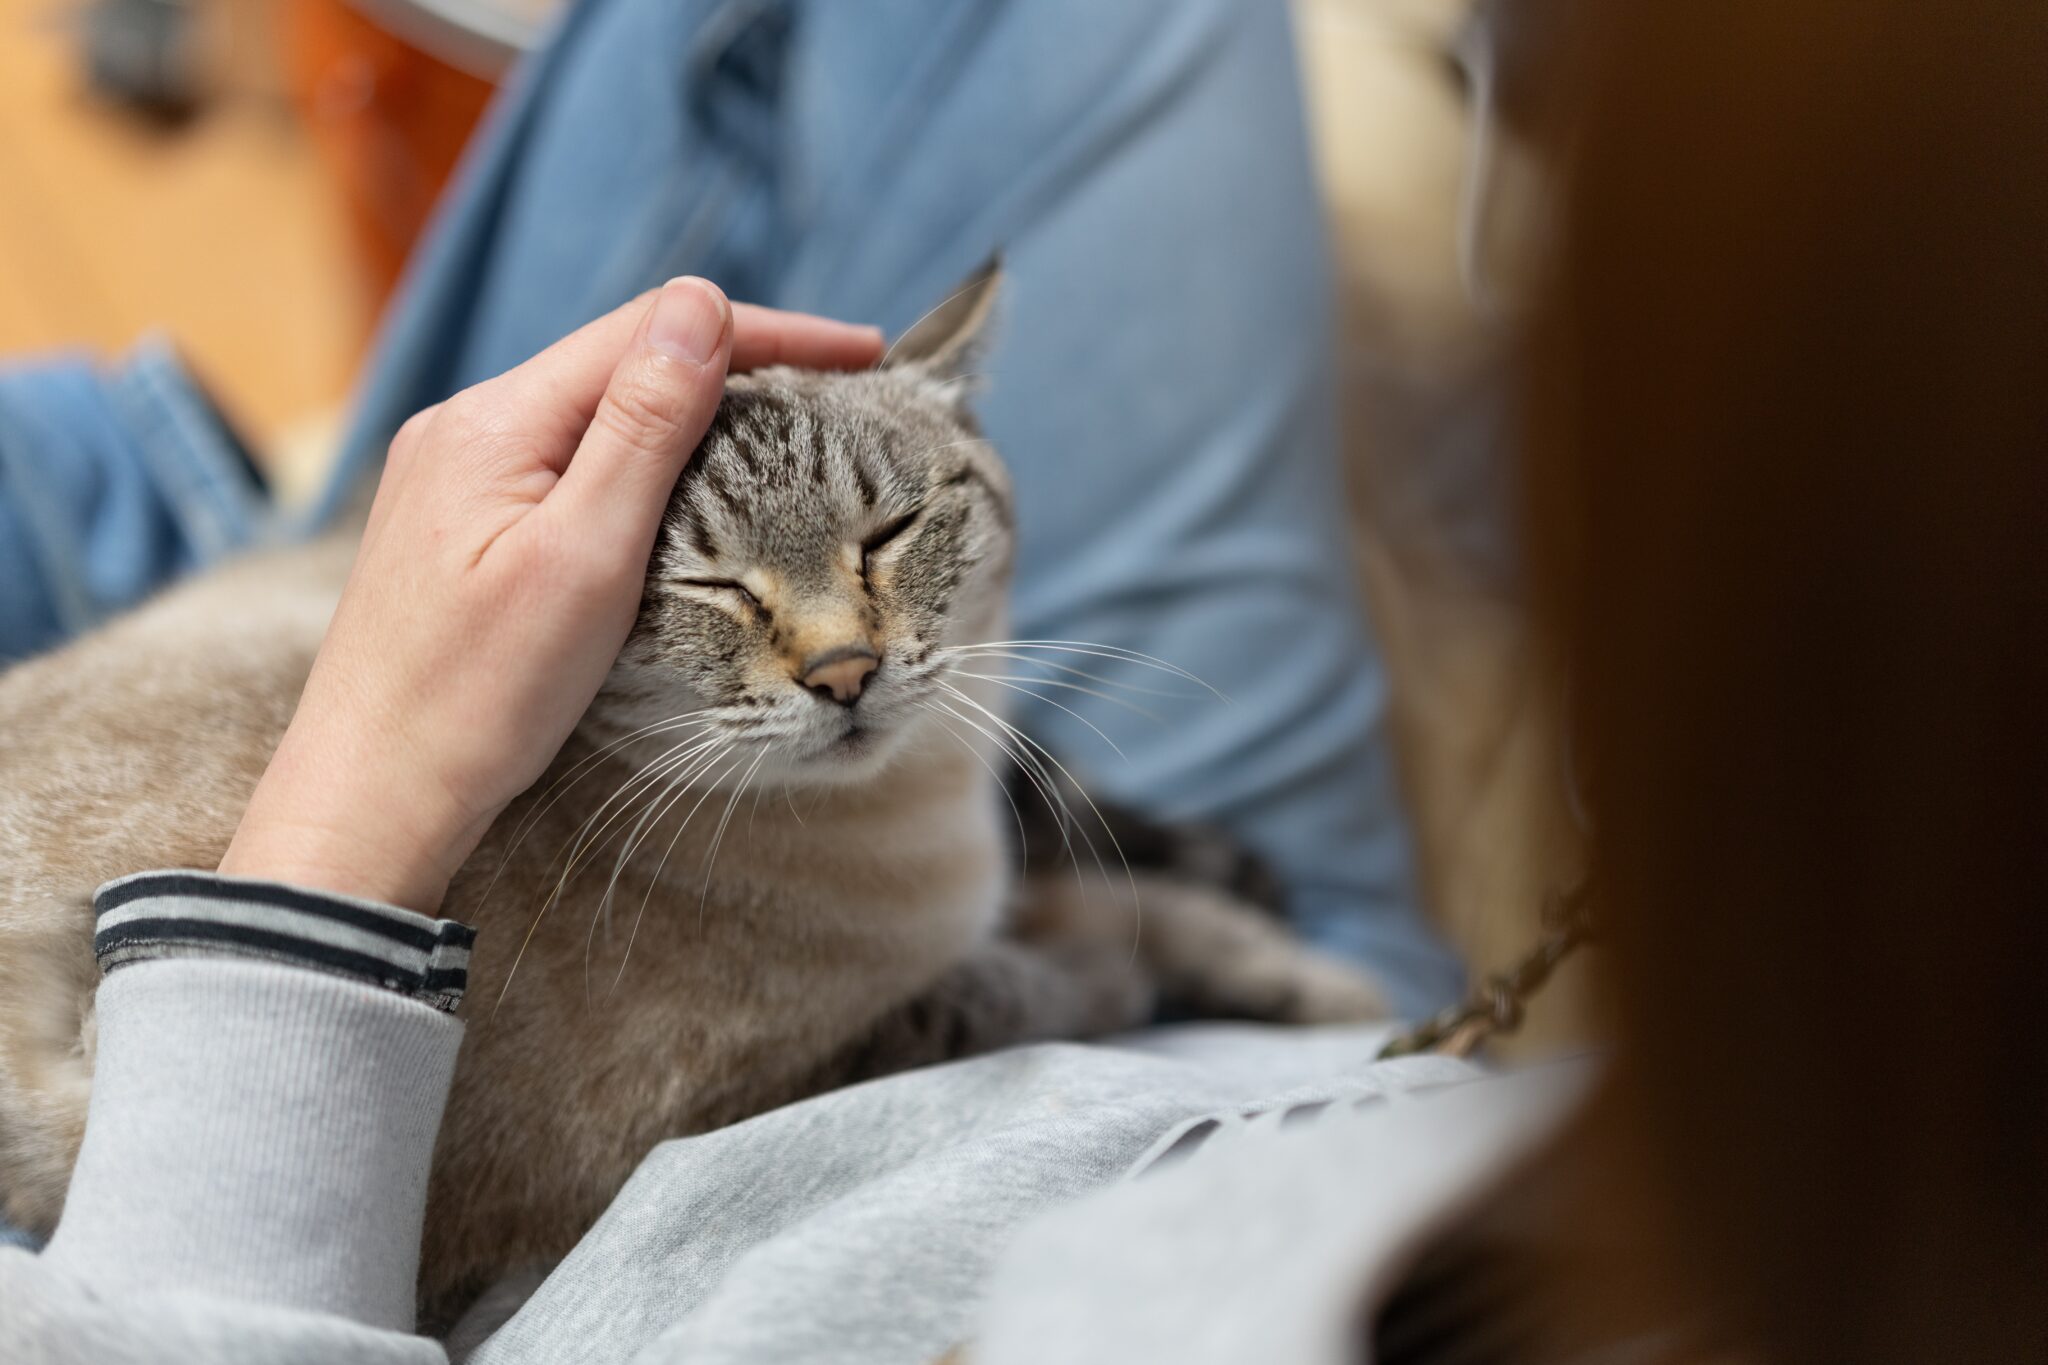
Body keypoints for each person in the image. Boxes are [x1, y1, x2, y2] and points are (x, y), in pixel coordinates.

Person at [0, 0, 1462, 1017]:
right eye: (735, 602)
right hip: (1298, 1044)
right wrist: (361, 811)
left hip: (134, 543)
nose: (842, 656)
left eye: (886, 553)